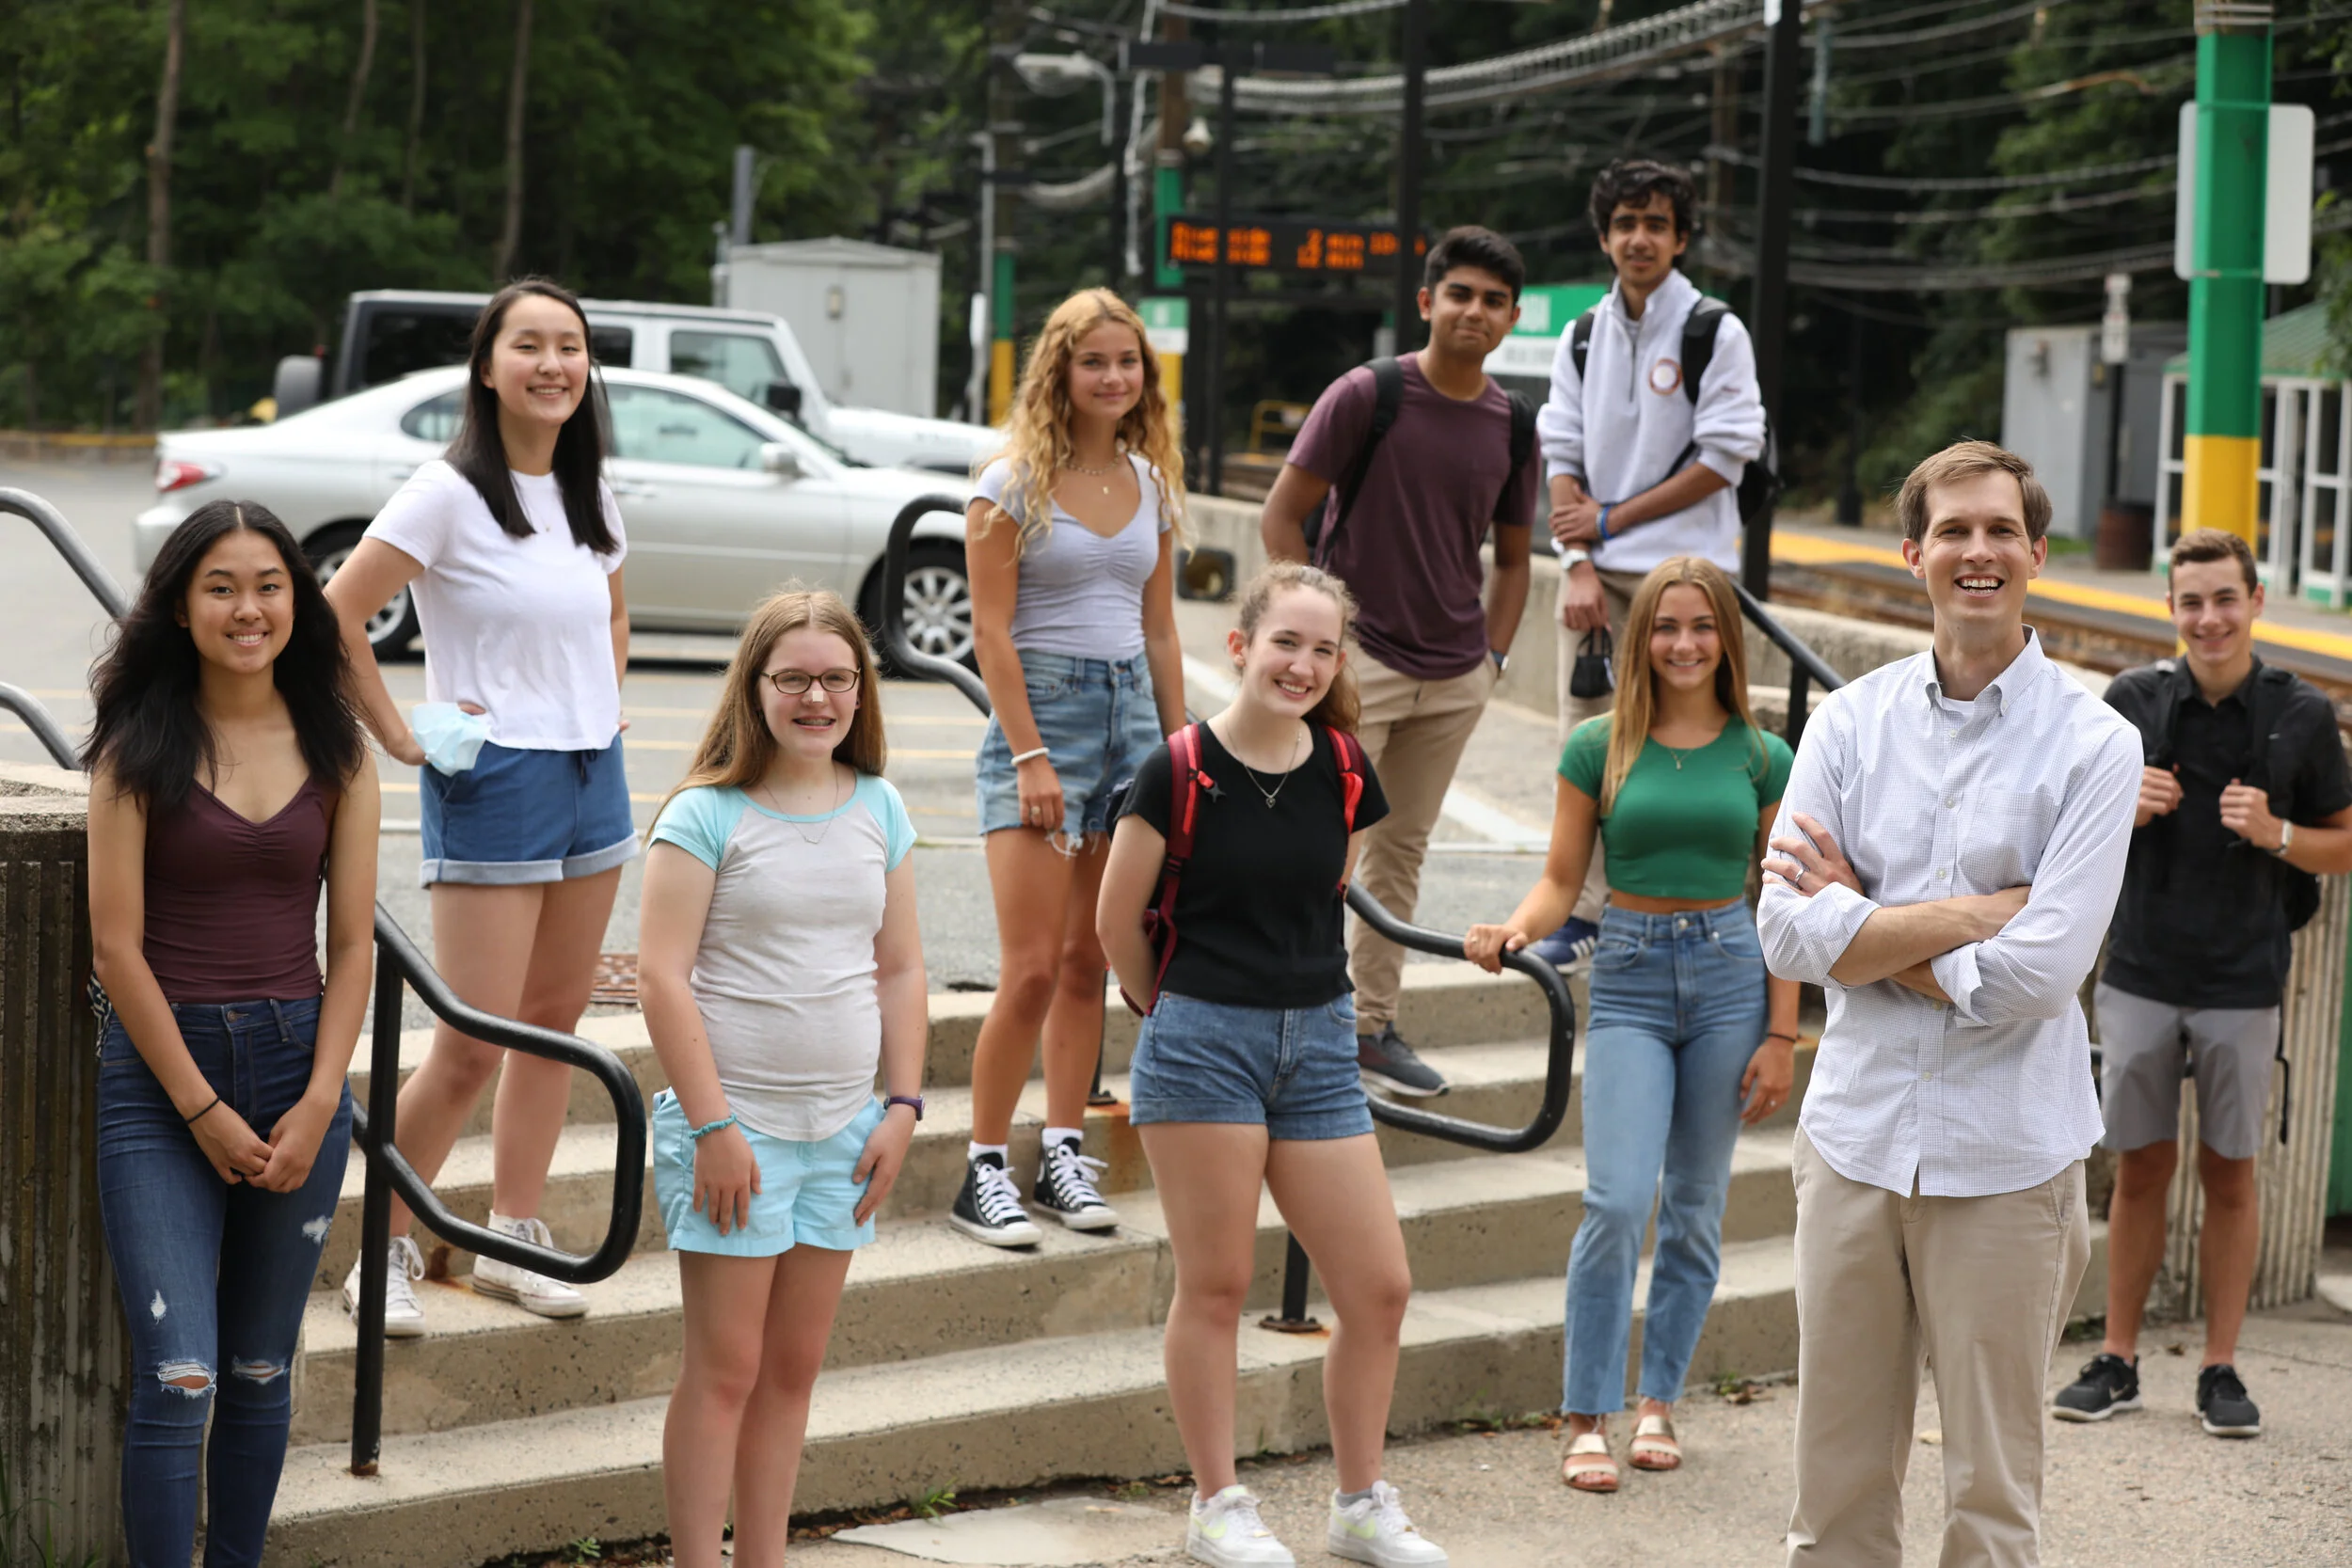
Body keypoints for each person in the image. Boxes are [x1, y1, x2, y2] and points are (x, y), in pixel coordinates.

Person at [1757, 440, 2139, 1566]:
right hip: (1855, 1141)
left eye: (2001, 529)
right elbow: (1783, 931)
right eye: (1954, 530)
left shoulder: (2097, 743)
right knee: (1833, 1491)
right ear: (1912, 552)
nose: (1979, 551)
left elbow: (2040, 979)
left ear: (2036, 552)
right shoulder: (1846, 723)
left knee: (1990, 1497)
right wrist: (1974, 914)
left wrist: (1865, 926)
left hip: (2007, 1160)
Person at [1099, 562, 1446, 1568]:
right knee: (1216, 1283)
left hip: (1319, 1042)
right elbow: (1116, 923)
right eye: (1285, 642)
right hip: (1203, 1039)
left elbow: (1326, 891)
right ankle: (1217, 1504)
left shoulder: (1343, 764)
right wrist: (1172, 1012)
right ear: (1241, 645)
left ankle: (1359, 1505)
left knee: (1378, 1287)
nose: (1303, 664)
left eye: (1323, 648)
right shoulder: (1176, 767)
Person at [324, 277, 632, 1333]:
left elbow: (611, 615)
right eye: (529, 345)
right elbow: (336, 614)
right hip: (496, 779)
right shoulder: (447, 490)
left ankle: (512, 1235)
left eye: (570, 347)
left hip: (594, 774)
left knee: (552, 1027)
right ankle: (381, 1248)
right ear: (488, 367)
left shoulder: (589, 490)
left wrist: (600, 702)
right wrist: (401, 735)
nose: (553, 365)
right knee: (470, 1042)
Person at [84, 500, 379, 1567]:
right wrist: (203, 1108)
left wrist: (322, 1096)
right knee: (180, 1376)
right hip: (162, 1083)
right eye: (220, 587)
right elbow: (115, 949)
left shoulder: (338, 749)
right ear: (180, 607)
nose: (247, 608)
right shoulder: (137, 749)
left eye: (269, 586)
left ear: (298, 603)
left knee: (260, 1368)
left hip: (299, 1073)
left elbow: (354, 944)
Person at [1464, 556, 1799, 1494]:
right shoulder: (1597, 745)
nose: (1684, 644)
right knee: (1615, 1200)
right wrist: (1514, 929)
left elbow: (1784, 900)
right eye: (1665, 626)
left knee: (1694, 1204)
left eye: (1702, 626)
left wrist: (1782, 1034)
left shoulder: (1763, 755)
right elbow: (1561, 879)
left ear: (1726, 638)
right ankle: (1586, 1412)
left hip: (1732, 977)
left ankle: (1659, 1399)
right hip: (1631, 976)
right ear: (1639, 637)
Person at [637, 587, 925, 1568]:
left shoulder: (880, 805)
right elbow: (661, 978)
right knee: (725, 1369)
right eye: (793, 677)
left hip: (844, 1131)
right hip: (738, 1133)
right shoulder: (704, 813)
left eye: (837, 678)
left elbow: (900, 967)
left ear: (861, 690)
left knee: (792, 1371)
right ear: (753, 686)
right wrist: (714, 1128)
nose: (816, 697)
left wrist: (903, 1105)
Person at [2053, 528, 2352, 1439]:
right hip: (2141, 970)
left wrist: (2276, 833)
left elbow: (2343, 842)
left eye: (2225, 598)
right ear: (2171, 609)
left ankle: (2221, 1366)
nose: (2209, 617)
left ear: (2254, 601)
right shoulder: (2130, 702)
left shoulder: (2301, 714)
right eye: (2192, 601)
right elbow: (2060, 829)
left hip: (2242, 980)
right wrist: (2122, 807)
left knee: (2231, 1170)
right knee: (2140, 1165)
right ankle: (2118, 1357)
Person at [1261, 225, 1539, 1100]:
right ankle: (1283, 1020)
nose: (1474, 311)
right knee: (1317, 844)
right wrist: (1316, 647)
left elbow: (1516, 559)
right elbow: (1282, 516)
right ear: (1426, 302)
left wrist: (1492, 659)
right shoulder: (1368, 393)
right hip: (1359, 663)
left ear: (1512, 318)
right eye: (1459, 294)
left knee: (1401, 853)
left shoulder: (1513, 423)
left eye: (1493, 300)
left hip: (1455, 674)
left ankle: (1369, 1028)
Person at [953, 288, 1187, 1247]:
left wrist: (1181, 751)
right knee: (1030, 969)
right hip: (1042, 719)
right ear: (1060, 369)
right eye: (1094, 361)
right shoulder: (1008, 483)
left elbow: (1161, 629)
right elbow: (990, 633)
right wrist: (1030, 753)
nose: (1113, 377)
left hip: (1132, 721)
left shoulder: (1152, 481)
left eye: (1127, 361)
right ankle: (980, 1166)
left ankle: (1059, 1150)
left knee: (1094, 958)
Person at [1532, 157, 1767, 970]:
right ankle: (1586, 912)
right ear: (1605, 237)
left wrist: (1610, 519)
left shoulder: (1714, 330)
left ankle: (1715, 903)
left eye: (1656, 224)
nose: (1640, 238)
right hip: (1597, 576)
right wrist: (1578, 556)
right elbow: (1561, 448)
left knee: (1701, 736)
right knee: (1590, 740)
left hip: (1689, 573)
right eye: (1625, 223)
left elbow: (1726, 457)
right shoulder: (1581, 334)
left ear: (1681, 238)